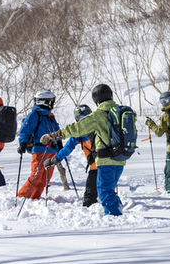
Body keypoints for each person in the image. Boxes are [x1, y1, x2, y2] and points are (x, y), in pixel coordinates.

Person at [41, 83, 126, 216]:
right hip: (120, 158)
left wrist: (54, 136)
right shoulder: (119, 112)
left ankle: (115, 219)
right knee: (109, 191)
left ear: (96, 99)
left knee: (104, 193)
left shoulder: (98, 116)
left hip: (103, 161)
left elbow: (76, 129)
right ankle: (118, 213)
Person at [44, 104, 98, 207]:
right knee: (107, 191)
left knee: (89, 198)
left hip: (96, 165)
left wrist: (53, 160)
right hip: (112, 163)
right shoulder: (100, 123)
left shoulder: (79, 130)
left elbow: (67, 149)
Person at [16, 89, 60, 199]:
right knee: (37, 176)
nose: (52, 104)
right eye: (50, 101)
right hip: (40, 150)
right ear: (44, 101)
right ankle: (22, 197)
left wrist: (59, 143)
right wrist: (22, 143)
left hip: (52, 150)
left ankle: (34, 198)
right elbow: (24, 130)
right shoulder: (34, 115)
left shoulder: (50, 116)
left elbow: (57, 130)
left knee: (46, 177)